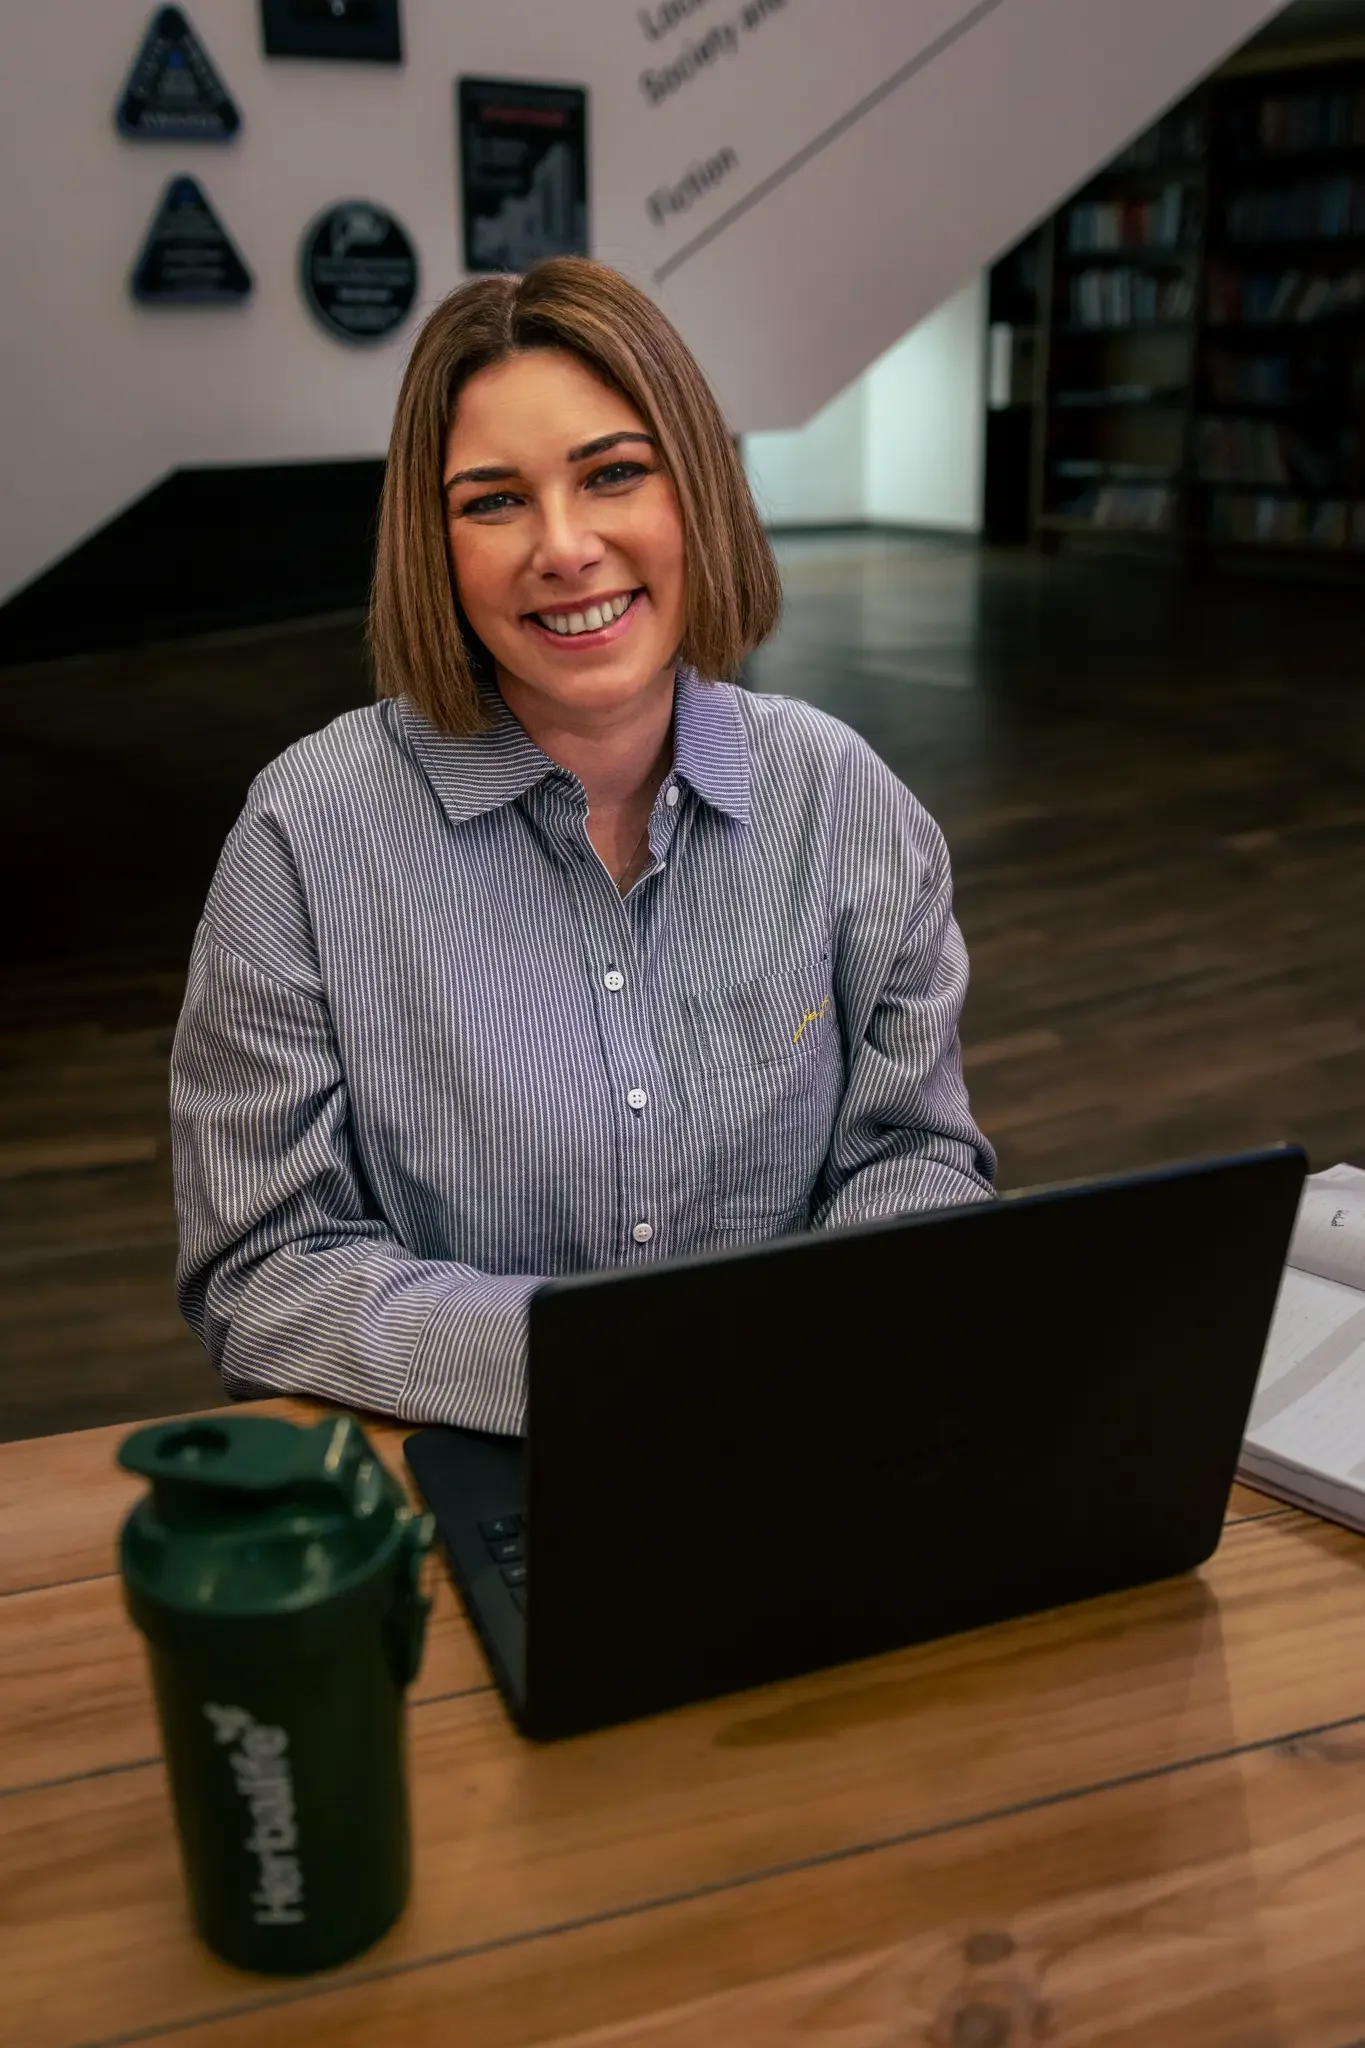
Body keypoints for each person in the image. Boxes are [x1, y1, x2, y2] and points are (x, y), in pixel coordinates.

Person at [171, 257, 995, 1434]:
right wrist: (607, 1362)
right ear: (434, 543)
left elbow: (918, 1154)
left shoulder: (845, 801)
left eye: (612, 474)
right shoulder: (303, 837)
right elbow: (265, 1266)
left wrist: (805, 1340)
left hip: (794, 1437)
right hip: (471, 1470)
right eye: (493, 499)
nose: (564, 547)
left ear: (694, 493)